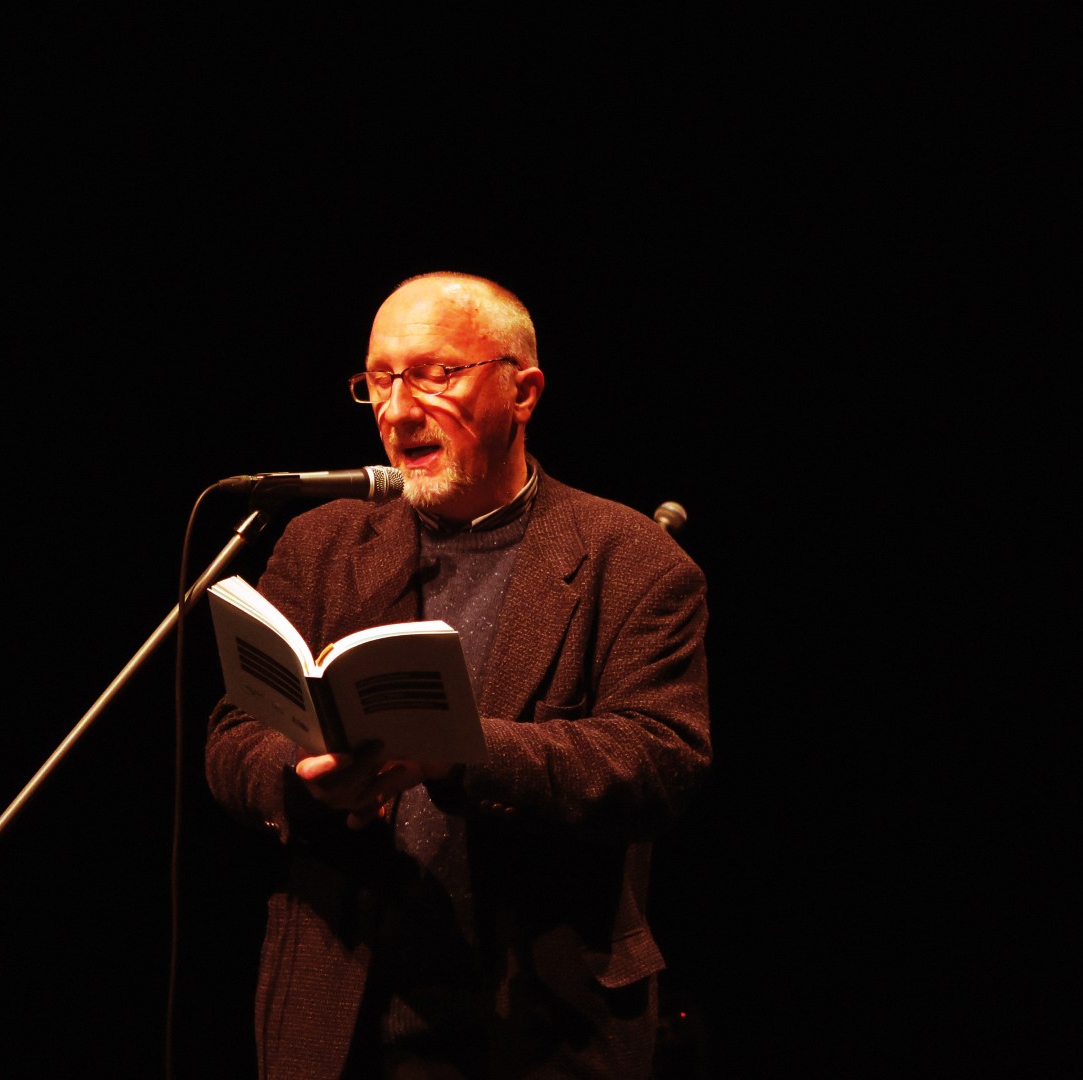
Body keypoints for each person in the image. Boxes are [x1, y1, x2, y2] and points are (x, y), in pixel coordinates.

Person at [204, 271, 710, 1079]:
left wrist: (458, 756)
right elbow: (233, 734)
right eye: (379, 380)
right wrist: (301, 777)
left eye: (436, 374)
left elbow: (660, 758)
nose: (399, 410)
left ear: (523, 391)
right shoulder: (319, 543)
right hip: (335, 1011)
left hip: (541, 1023)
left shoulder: (632, 560)